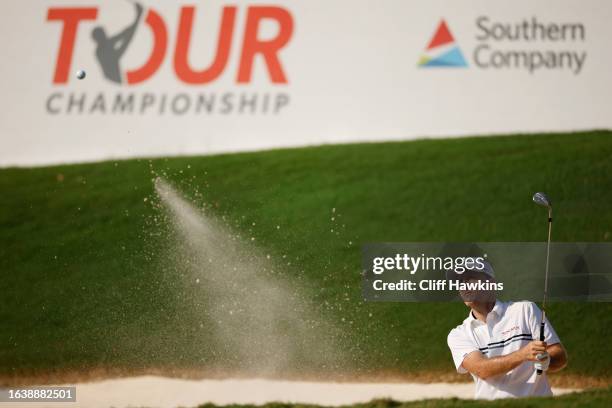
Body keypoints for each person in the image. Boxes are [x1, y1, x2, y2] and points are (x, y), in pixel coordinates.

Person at [446, 261, 568, 399]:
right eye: (459, 281)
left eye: (470, 279)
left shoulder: (525, 310)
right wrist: (523, 354)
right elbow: (481, 369)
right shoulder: (458, 334)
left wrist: (547, 360)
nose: (464, 285)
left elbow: (560, 356)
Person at [92, 1, 144, 84]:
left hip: (116, 82)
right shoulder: (101, 51)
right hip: (111, 84)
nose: (106, 36)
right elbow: (123, 45)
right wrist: (138, 17)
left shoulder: (106, 43)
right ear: (98, 38)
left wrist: (138, 17)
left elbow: (124, 33)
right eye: (103, 34)